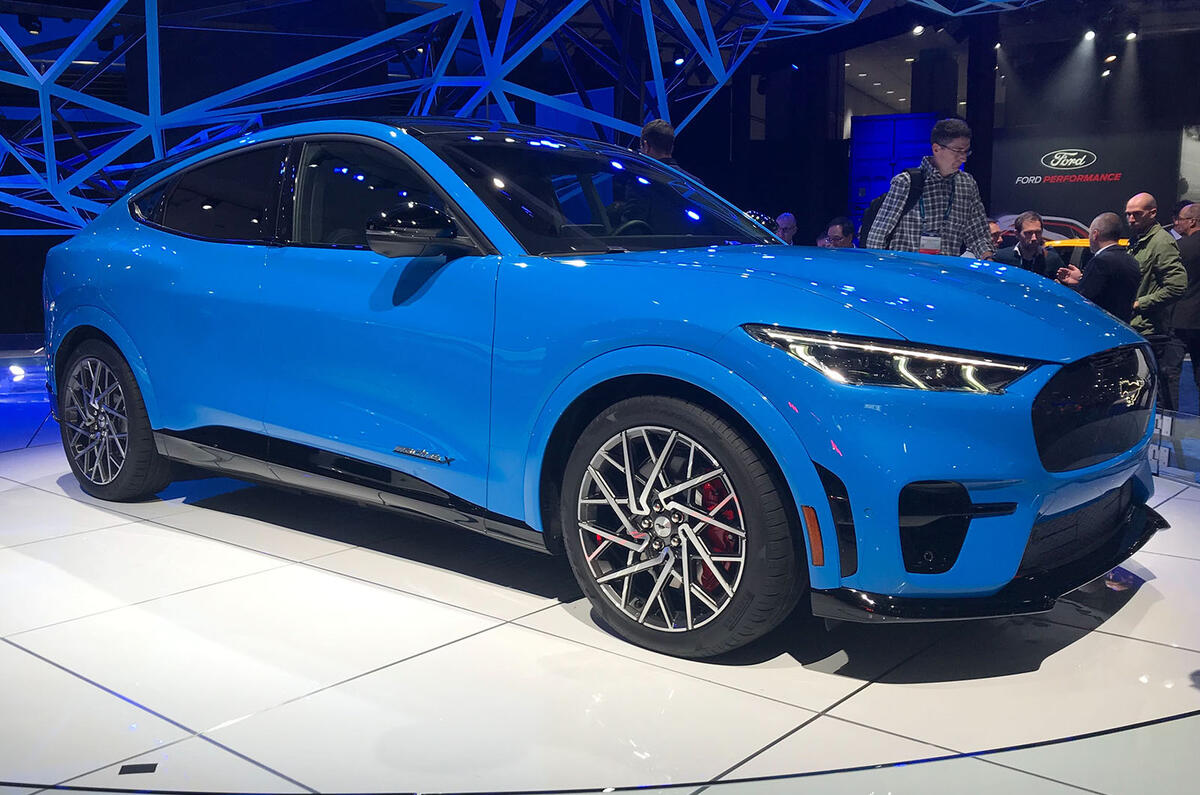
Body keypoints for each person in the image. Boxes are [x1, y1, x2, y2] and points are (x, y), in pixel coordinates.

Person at [863, 118, 993, 259]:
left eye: (966, 152)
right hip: (905, 268)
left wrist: (988, 259)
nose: (963, 158)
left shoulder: (967, 184)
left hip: (945, 269)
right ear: (936, 149)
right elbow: (878, 236)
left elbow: (978, 234)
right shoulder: (906, 182)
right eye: (958, 151)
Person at [1126, 192, 1188, 411]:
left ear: (1152, 213)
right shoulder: (1137, 241)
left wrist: (1139, 303)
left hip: (1152, 332)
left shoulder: (1161, 242)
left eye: (1136, 214)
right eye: (1128, 214)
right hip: (1136, 329)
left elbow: (1177, 286)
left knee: (1156, 398)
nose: (1131, 219)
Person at [1056, 212, 1140, 323]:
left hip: (1099, 326)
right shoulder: (1132, 261)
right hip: (1122, 327)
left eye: (1089, 233)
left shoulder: (1101, 261)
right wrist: (1080, 280)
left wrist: (1061, 287)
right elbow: (1107, 292)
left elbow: (1084, 298)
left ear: (1095, 234)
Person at [1169, 202, 1200, 412]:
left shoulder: (1179, 248)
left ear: (1192, 221)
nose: (1177, 223)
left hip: (1179, 319)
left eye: (1180, 219)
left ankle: (1169, 420)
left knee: (1170, 373)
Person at [992, 211, 1064, 278]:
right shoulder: (1001, 258)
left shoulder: (1052, 260)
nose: (1034, 238)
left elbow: (1063, 284)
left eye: (1038, 232)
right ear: (1017, 234)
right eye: (1029, 233)